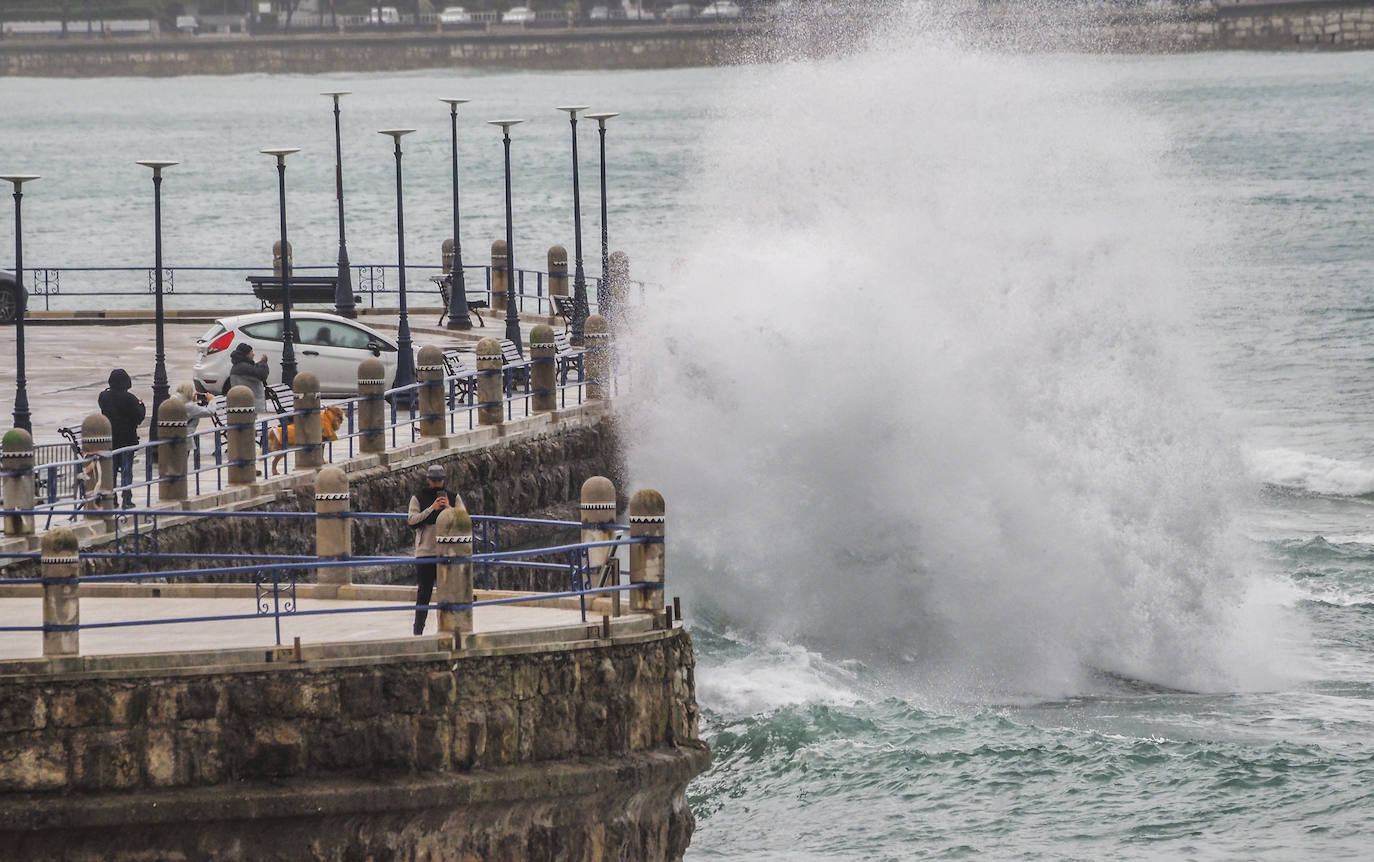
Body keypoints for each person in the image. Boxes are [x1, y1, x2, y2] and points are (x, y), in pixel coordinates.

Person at [407, 464, 458, 636]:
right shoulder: (418, 498)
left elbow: (464, 520)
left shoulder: (453, 497)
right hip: (426, 553)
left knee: (450, 593)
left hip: (447, 553)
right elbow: (412, 521)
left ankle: (449, 629)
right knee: (424, 594)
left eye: (440, 480)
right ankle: (418, 631)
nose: (437, 483)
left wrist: (449, 508)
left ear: (444, 480)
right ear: (428, 480)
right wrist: (432, 509)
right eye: (434, 480)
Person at [97, 368, 145, 508]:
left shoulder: (103, 396)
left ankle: (112, 499)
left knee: (111, 471)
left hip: (110, 439)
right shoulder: (129, 398)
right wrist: (141, 405)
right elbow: (138, 416)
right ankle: (127, 498)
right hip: (127, 439)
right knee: (126, 470)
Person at [227, 342, 269, 412]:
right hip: (251, 406)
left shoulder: (239, 366)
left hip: (246, 405)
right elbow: (262, 375)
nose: (253, 354)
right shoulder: (243, 367)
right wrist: (264, 363)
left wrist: (260, 363)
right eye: (251, 352)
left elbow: (253, 370)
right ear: (246, 354)